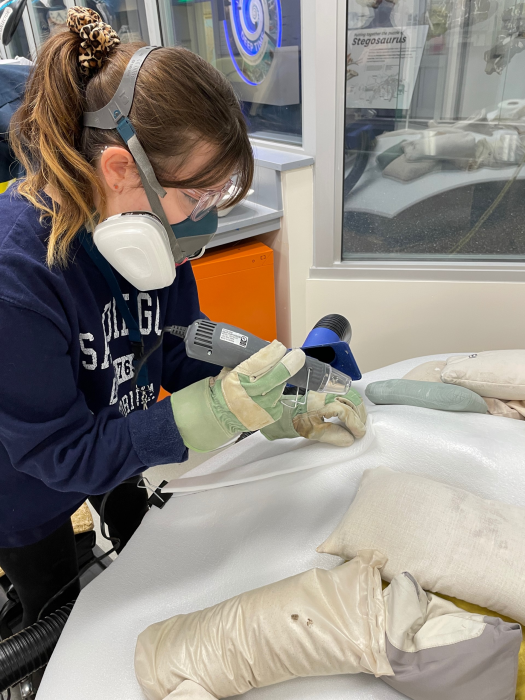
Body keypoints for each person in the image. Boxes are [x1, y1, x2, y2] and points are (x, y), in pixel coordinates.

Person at [0, 7, 367, 631]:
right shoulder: (18, 282)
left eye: (217, 198)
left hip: (115, 432)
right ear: (121, 169)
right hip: (26, 479)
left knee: (145, 550)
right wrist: (205, 414)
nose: (205, 221)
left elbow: (180, 345)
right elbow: (61, 454)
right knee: (61, 610)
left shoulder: (147, 239)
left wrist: (285, 379)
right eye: (198, 196)